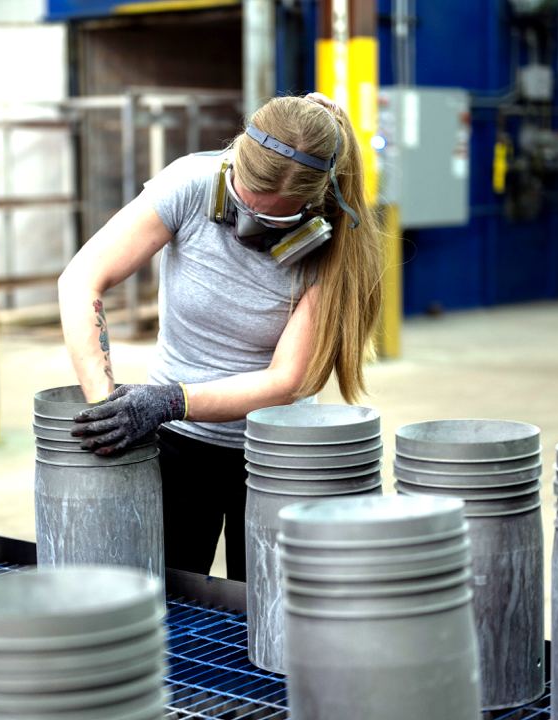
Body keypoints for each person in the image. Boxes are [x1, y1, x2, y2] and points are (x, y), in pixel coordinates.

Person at [57, 92, 383, 580]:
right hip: (177, 446)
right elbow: (82, 279)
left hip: (277, 454)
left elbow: (286, 381)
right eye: (239, 204)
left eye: (270, 219)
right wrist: (110, 408)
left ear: (313, 209)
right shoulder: (190, 184)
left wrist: (167, 400)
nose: (245, 228)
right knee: (167, 601)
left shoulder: (337, 248)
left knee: (268, 613)